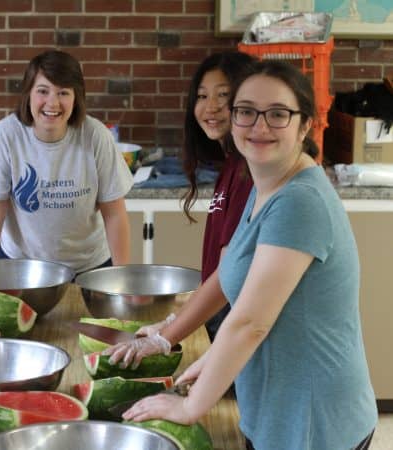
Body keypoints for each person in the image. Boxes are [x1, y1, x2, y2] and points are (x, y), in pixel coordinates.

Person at [104, 61, 377, 450]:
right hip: (274, 407)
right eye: (246, 111)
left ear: (305, 126)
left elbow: (250, 322)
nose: (259, 126)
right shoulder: (263, 182)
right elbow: (231, 271)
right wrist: (176, 342)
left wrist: (189, 409)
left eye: (278, 114)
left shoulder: (300, 201)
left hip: (313, 421)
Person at [0, 50, 133, 273]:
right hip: (22, 266)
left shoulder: (95, 135)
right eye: (43, 91)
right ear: (28, 93)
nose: (52, 102)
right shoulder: (6, 135)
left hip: (89, 266)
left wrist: (122, 277)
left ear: (76, 97)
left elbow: (114, 214)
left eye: (63, 93)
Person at [181, 52, 256, 343]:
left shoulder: (247, 172)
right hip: (220, 316)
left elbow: (228, 273)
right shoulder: (231, 164)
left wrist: (168, 332)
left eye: (223, 95)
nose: (210, 107)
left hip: (235, 323)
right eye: (201, 96)